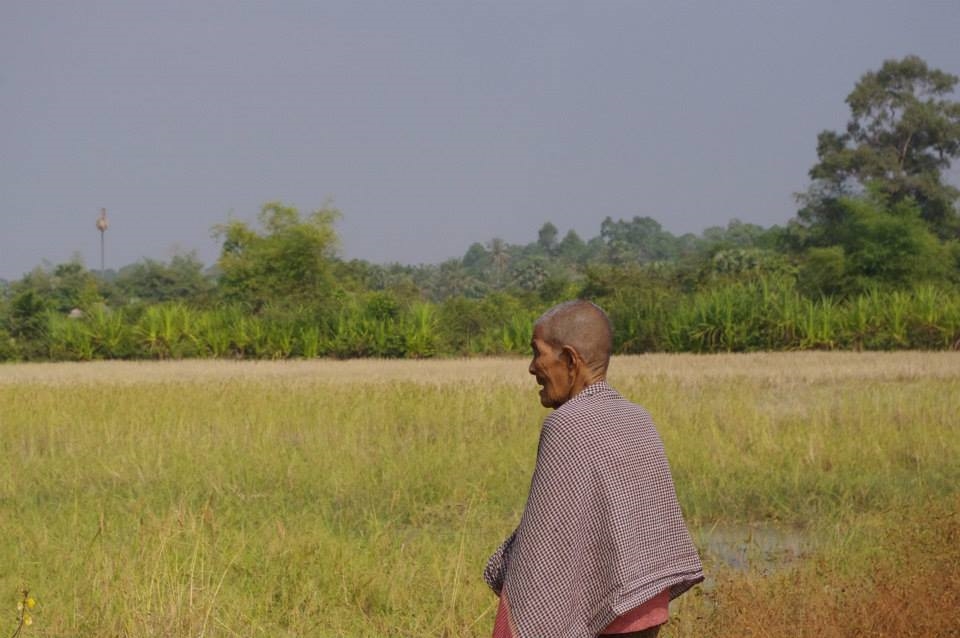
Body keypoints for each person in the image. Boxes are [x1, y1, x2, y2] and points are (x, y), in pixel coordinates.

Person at [484, 300, 703, 638]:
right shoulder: (638, 417)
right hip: (645, 603)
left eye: (537, 353)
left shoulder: (565, 424)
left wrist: (509, 577)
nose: (531, 368)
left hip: (603, 613)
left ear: (571, 360)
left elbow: (543, 545)